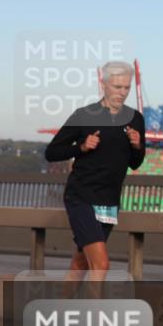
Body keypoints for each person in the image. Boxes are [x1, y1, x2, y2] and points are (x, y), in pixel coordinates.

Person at [45, 61, 145, 292]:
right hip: (81, 196)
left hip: (109, 201)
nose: (122, 93)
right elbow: (52, 152)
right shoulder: (85, 115)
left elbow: (135, 162)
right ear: (103, 84)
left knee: (81, 263)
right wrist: (81, 147)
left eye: (126, 88)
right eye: (116, 86)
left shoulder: (135, 119)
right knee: (101, 264)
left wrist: (137, 145)